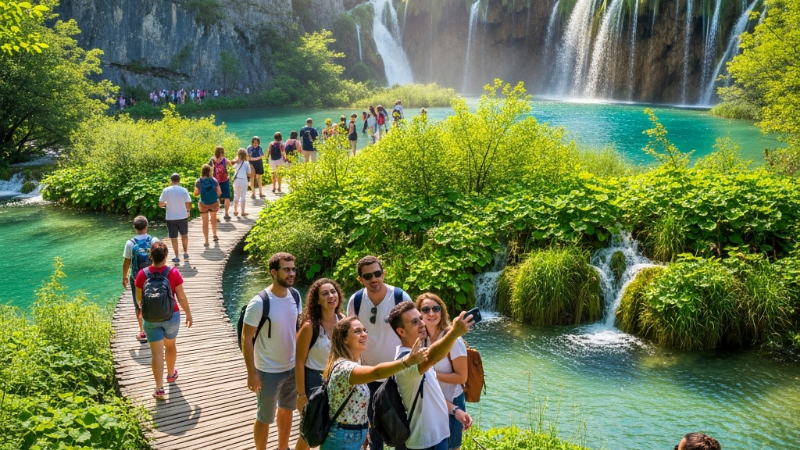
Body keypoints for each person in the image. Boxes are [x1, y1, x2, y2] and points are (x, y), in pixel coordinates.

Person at [320, 316, 428, 450]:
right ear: (344, 339)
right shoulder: (344, 368)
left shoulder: (354, 365)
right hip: (341, 437)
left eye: (364, 330)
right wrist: (406, 362)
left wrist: (363, 429)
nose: (364, 334)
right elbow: (376, 373)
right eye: (357, 331)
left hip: (351, 434)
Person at [388, 301, 475, 450]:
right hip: (425, 442)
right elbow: (433, 357)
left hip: (437, 437)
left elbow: (432, 395)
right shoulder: (405, 362)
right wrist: (454, 333)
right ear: (401, 331)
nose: (422, 324)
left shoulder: (418, 354)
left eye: (420, 318)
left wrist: (455, 410)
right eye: (414, 322)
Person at [346, 255, 412, 450]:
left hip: (399, 375)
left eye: (377, 274)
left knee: (402, 428)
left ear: (383, 274)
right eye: (368, 276)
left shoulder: (400, 298)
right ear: (360, 279)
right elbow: (349, 337)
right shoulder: (356, 301)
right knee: (374, 430)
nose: (373, 279)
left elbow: (415, 332)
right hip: (369, 375)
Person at [242, 253, 303, 450]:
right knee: (265, 417)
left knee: (287, 410)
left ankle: (282, 447)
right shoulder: (259, 302)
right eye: (286, 269)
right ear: (274, 272)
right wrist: (251, 373)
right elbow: (246, 338)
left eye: (293, 269)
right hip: (268, 370)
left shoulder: (295, 295)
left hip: (292, 368)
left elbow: (296, 330)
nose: (291, 273)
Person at [134, 241, 193, 400]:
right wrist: (188, 313)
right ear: (166, 255)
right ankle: (171, 374)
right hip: (171, 315)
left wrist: (144, 310)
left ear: (151, 256)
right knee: (170, 346)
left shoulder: (142, 274)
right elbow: (181, 297)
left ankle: (159, 388)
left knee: (156, 353)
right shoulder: (173, 272)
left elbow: (139, 299)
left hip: (150, 318)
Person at [295, 278, 346, 450]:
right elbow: (299, 362)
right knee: (309, 431)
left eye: (333, 292)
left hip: (338, 380)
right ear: (317, 300)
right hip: (314, 381)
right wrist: (301, 395)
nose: (331, 296)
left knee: (332, 429)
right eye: (325, 293)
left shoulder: (343, 321)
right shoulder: (310, 326)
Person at [416, 294, 468, 450]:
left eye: (436, 309)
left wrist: (430, 374)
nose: (431, 313)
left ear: (442, 311)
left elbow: (462, 377)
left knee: (452, 447)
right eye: (426, 310)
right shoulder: (421, 340)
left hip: (452, 400)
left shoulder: (453, 339)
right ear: (419, 314)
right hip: (430, 401)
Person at [122, 215, 160, 343]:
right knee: (154, 300)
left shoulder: (130, 243)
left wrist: (124, 277)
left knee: (138, 304)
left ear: (134, 227)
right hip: (153, 277)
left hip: (137, 279)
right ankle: (155, 328)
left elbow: (126, 262)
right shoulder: (154, 240)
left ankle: (143, 332)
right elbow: (160, 259)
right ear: (147, 226)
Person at [158, 173, 192, 263]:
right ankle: (185, 252)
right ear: (179, 180)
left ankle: (176, 256)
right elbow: (188, 202)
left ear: (171, 180)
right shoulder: (184, 190)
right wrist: (188, 210)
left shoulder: (166, 190)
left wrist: (166, 204)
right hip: (182, 216)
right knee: (184, 235)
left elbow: (160, 204)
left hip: (171, 217)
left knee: (174, 237)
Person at [193, 164, 222, 246]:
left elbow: (196, 193)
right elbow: (219, 192)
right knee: (213, 219)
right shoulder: (214, 180)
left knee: (205, 222)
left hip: (203, 204)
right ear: (210, 171)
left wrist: (198, 193)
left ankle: (206, 241)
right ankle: (215, 235)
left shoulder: (199, 181)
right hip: (213, 203)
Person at [209, 146, 233, 220]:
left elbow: (208, 170)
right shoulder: (219, 160)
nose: (221, 155)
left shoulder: (214, 160)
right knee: (222, 198)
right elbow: (230, 164)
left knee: (221, 198)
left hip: (220, 181)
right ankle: (221, 214)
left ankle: (221, 215)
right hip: (220, 181)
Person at [231, 148, 251, 216]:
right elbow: (249, 173)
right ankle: (242, 212)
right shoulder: (246, 163)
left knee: (236, 195)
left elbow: (232, 166)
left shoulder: (236, 163)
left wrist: (236, 160)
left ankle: (235, 210)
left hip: (236, 180)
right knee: (243, 196)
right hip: (243, 180)